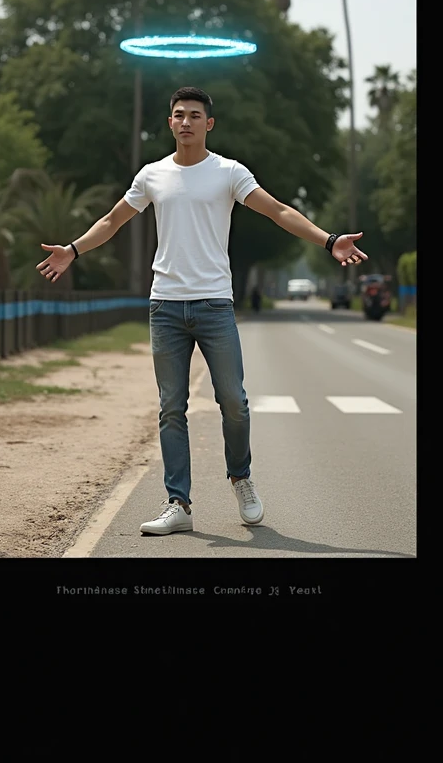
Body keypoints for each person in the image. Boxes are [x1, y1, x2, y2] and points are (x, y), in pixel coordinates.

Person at [36, 86, 368, 536]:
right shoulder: (152, 175)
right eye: (179, 115)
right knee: (171, 407)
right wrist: (73, 250)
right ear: (170, 123)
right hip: (165, 306)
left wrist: (328, 240)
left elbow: (278, 211)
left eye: (195, 115)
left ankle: (241, 478)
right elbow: (113, 220)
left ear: (209, 124)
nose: (187, 121)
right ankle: (179, 503)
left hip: (215, 304)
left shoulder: (228, 172)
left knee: (234, 401)